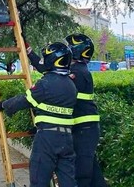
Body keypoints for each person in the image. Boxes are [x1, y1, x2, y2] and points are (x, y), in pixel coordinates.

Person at [26, 34, 109, 187]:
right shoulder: (77, 70)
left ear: (76, 51)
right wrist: (30, 52)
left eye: (69, 48)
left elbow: (51, 80)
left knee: (81, 175)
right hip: (84, 128)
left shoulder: (76, 72)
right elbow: (47, 68)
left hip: (83, 129)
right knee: (93, 173)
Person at [0, 42, 77, 187]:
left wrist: (3, 105)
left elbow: (25, 100)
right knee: (68, 181)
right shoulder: (71, 85)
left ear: (52, 61)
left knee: (39, 178)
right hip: (67, 139)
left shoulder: (46, 83)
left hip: (47, 139)